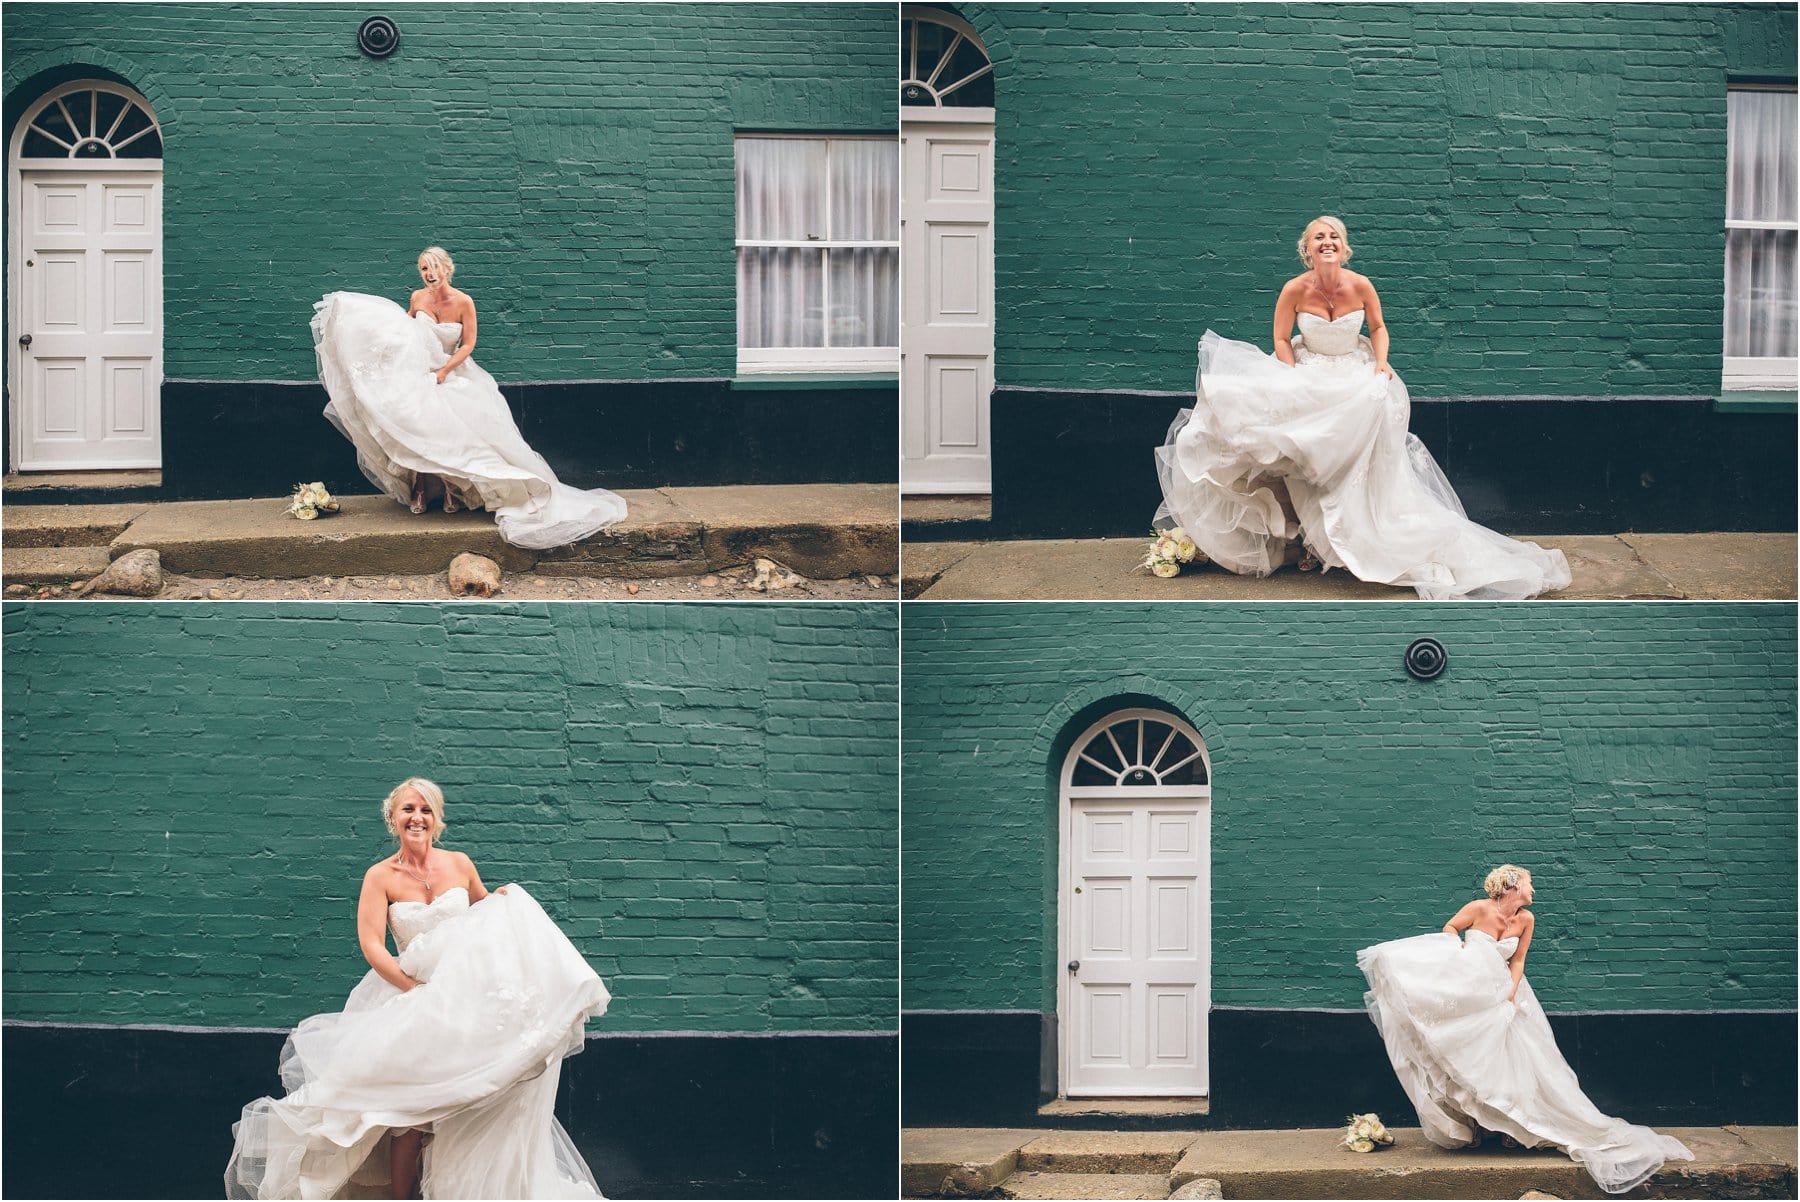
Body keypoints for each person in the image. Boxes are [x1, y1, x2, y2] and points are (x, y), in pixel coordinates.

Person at [225, 779, 611, 1199]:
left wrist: (504, 901)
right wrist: (412, 987)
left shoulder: (460, 864)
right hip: (411, 999)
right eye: (408, 809)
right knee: (406, 1115)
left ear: (436, 819)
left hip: (466, 1005)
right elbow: (373, 945)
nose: (417, 817)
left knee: (469, 1103)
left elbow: (485, 918)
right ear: (393, 818)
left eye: (426, 810)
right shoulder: (379, 876)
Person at [1153, 216, 1571, 600]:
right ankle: (1310, 541)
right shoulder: (1294, 289)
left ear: (1344, 246)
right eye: (1320, 237)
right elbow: (1281, 339)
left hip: (1353, 370)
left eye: (1334, 236)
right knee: (1273, 434)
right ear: (1308, 249)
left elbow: (1378, 328)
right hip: (1309, 370)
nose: (1328, 241)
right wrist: (1292, 375)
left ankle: (1345, 538)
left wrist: (1381, 363)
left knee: (1362, 418)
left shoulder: (1361, 285)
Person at [1356, 865, 1694, 1194]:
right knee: (1472, 1059)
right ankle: (1485, 1123)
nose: (1534, 890)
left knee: (1520, 1064)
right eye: (1530, 884)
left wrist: (1511, 994)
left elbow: (1517, 960)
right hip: (1471, 990)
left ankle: (1517, 1128)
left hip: (1506, 993)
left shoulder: (1527, 919)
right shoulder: (1478, 908)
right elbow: (1450, 928)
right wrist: (1459, 956)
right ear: (1513, 886)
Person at [313, 247, 628, 548]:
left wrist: (446, 370)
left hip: (453, 371)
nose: (428, 274)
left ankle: (453, 488)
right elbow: (405, 330)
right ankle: (421, 487)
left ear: (446, 269)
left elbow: (467, 344)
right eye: (423, 268)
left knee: (455, 420)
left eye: (433, 267)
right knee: (413, 418)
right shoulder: (417, 297)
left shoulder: (464, 302)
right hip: (420, 371)